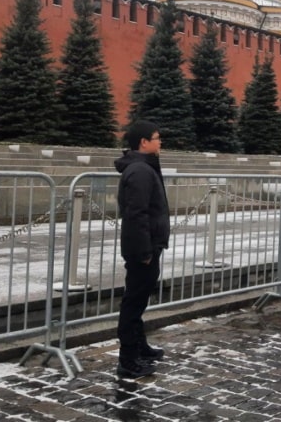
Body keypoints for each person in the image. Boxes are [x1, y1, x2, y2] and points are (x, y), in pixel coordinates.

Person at [114, 120, 170, 378]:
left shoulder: (145, 168)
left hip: (148, 245)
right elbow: (136, 215)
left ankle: (140, 346)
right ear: (143, 142)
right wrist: (144, 251)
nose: (160, 142)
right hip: (142, 249)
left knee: (139, 299)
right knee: (133, 302)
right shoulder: (139, 171)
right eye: (157, 138)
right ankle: (127, 359)